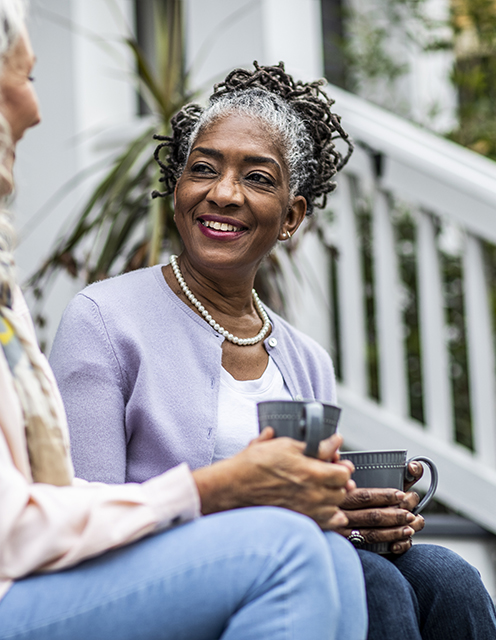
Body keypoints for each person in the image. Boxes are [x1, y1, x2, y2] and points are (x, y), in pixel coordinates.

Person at [0, 2, 368, 640]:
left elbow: (41, 496)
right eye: (23, 79)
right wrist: (213, 490)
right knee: (285, 551)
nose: (35, 110)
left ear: (292, 215)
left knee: (337, 559)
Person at [49, 63, 496, 640]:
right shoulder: (104, 320)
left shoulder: (305, 358)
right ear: (178, 189)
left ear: (291, 216)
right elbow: (85, 518)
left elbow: (307, 516)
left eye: (257, 178)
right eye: (203, 169)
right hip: (155, 581)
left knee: (447, 574)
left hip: (290, 561)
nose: (223, 193)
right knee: (370, 583)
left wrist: (355, 516)